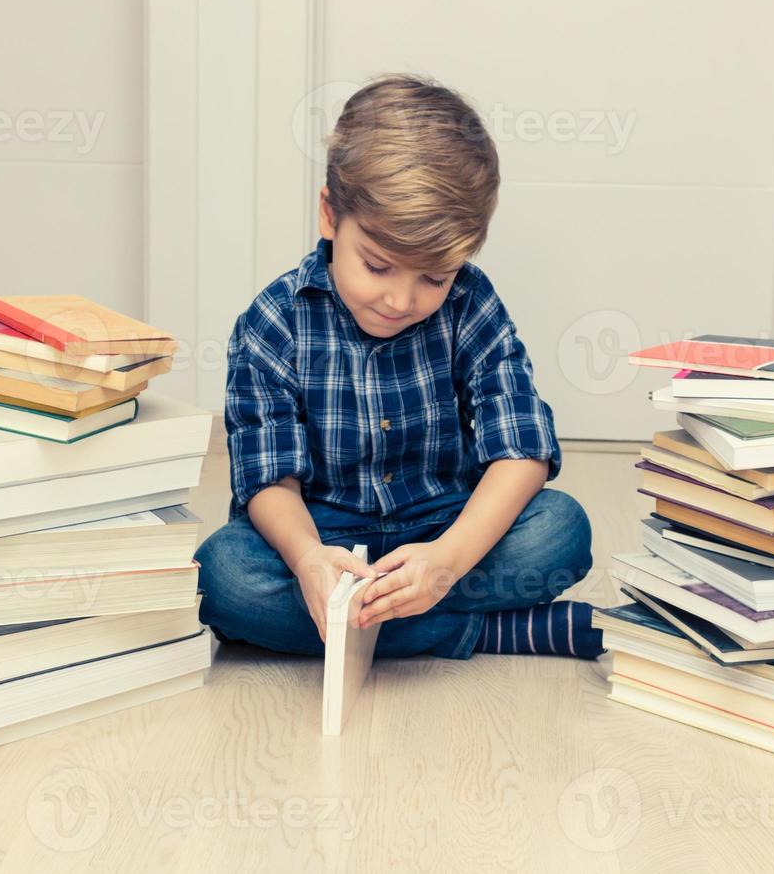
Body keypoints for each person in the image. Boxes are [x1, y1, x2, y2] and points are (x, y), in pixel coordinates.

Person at [196, 74, 602, 661]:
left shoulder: (472, 304)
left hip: (442, 525)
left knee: (560, 530)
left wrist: (449, 559)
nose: (401, 301)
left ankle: (365, 625)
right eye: (379, 266)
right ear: (330, 217)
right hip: (322, 537)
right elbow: (268, 483)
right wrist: (309, 560)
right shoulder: (272, 322)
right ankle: (484, 631)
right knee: (222, 575)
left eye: (433, 278)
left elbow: (523, 451)